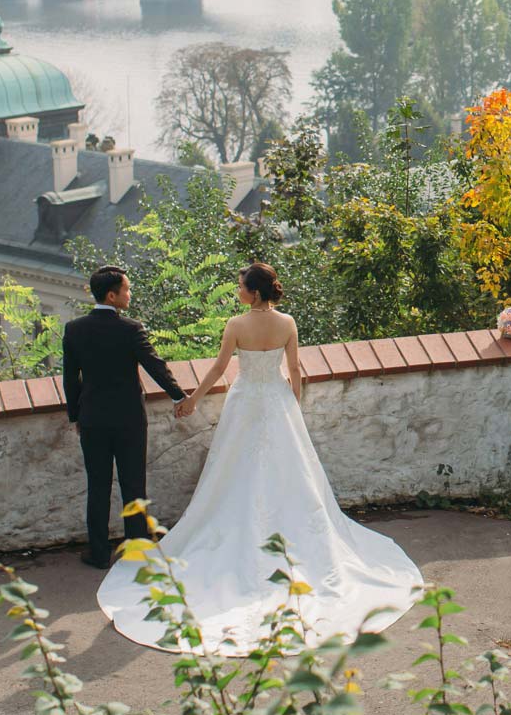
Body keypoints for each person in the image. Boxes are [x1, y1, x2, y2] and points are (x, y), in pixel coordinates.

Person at [95, 262, 424, 651]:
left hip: (245, 404)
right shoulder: (287, 322)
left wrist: (193, 401)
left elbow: (219, 368)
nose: (237, 291)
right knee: (292, 476)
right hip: (277, 402)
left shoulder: (236, 325)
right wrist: (292, 406)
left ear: (253, 292)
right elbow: (295, 369)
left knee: (233, 473)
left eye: (239, 286)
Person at [63, 265, 189, 570]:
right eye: (127, 289)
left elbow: (70, 379)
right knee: (134, 484)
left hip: (93, 418)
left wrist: (76, 415)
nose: (130, 294)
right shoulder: (131, 329)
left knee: (98, 485)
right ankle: (137, 550)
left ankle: (98, 552)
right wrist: (179, 396)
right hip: (130, 419)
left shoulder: (75, 329)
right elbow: (155, 365)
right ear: (112, 294)